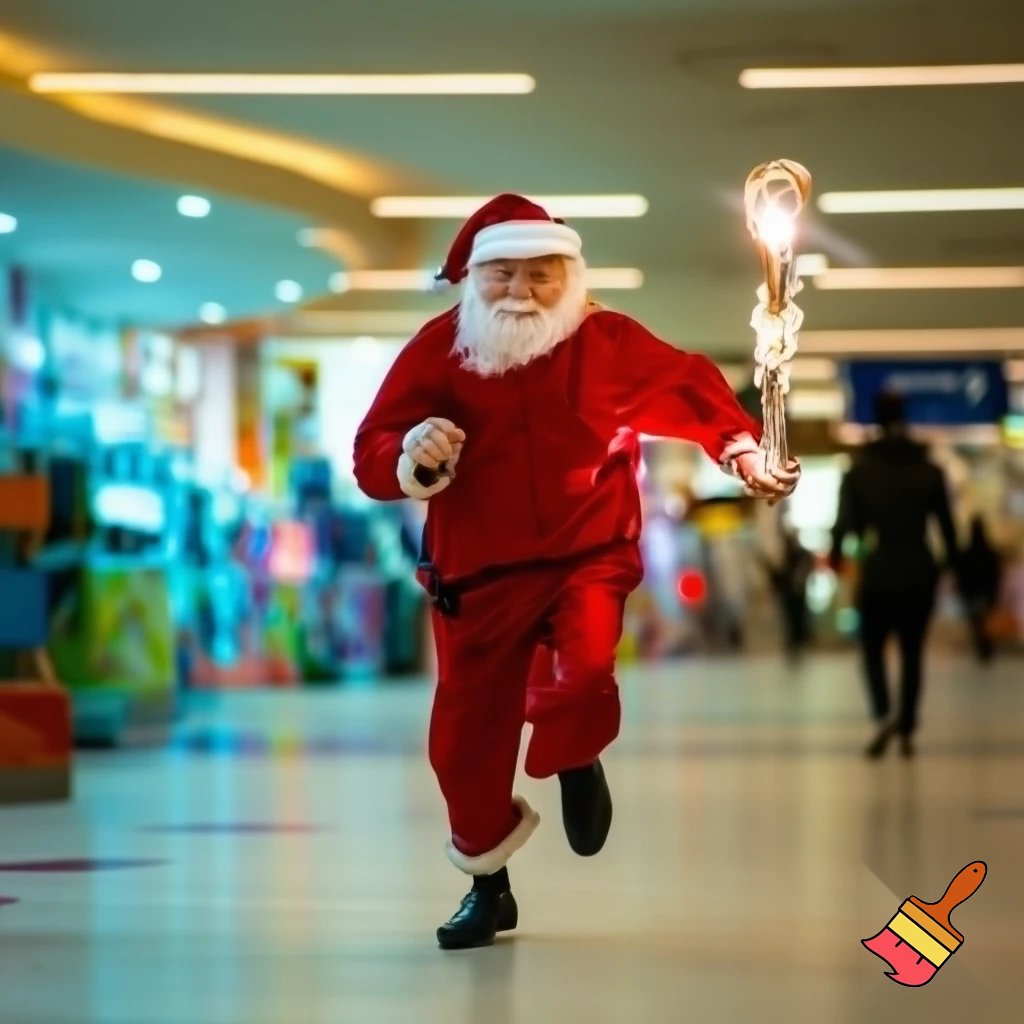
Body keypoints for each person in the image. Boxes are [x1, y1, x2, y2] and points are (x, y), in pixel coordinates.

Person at [353, 194, 801, 950]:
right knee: (465, 743)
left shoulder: (606, 341)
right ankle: (487, 886)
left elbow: (686, 388)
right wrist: (412, 453)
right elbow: (374, 449)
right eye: (502, 274)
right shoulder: (439, 350)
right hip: (477, 574)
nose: (521, 291)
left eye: (540, 273)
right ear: (474, 276)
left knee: (586, 669)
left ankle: (573, 749)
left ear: (571, 274)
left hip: (587, 552)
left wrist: (745, 449)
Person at [830, 390, 959, 759]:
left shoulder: (860, 471)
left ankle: (883, 712)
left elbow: (846, 525)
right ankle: (906, 726)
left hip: (880, 568)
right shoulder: (929, 471)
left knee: (872, 648)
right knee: (912, 651)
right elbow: (947, 529)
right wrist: (953, 567)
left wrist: (838, 560)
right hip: (919, 567)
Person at [959, 515, 1002, 664]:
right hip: (986, 593)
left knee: (977, 622)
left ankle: (982, 648)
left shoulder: (966, 554)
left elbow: (962, 575)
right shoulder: (990, 554)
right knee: (985, 622)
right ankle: (986, 648)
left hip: (971, 593)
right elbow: (995, 575)